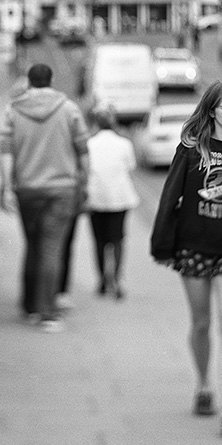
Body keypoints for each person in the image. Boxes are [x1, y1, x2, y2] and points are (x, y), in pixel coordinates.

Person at [150, 80, 222, 438]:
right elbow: (170, 197)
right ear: (212, 112)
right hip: (193, 247)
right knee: (200, 323)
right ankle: (204, 384)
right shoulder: (192, 148)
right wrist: (162, 245)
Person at [0, 63, 90, 332]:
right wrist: (84, 181)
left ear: (30, 82)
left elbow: (6, 152)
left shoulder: (13, 110)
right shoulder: (69, 109)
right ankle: (48, 313)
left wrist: (5, 186)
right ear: (51, 80)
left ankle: (29, 305)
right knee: (52, 248)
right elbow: (83, 151)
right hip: (62, 189)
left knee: (33, 244)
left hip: (27, 188)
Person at [85, 107, 140, 300]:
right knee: (118, 239)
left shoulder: (90, 144)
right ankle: (117, 278)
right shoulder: (124, 144)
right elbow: (131, 166)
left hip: (96, 197)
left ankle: (102, 280)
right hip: (119, 197)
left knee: (99, 240)